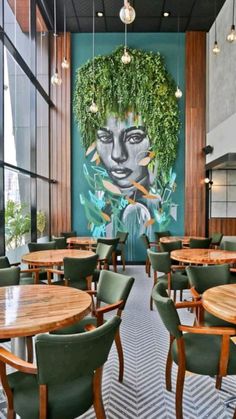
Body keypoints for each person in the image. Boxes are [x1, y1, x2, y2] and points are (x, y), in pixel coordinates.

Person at [74, 46, 180, 261]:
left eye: (133, 138)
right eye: (104, 138)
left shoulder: (145, 207)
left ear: (157, 139)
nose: (117, 155)